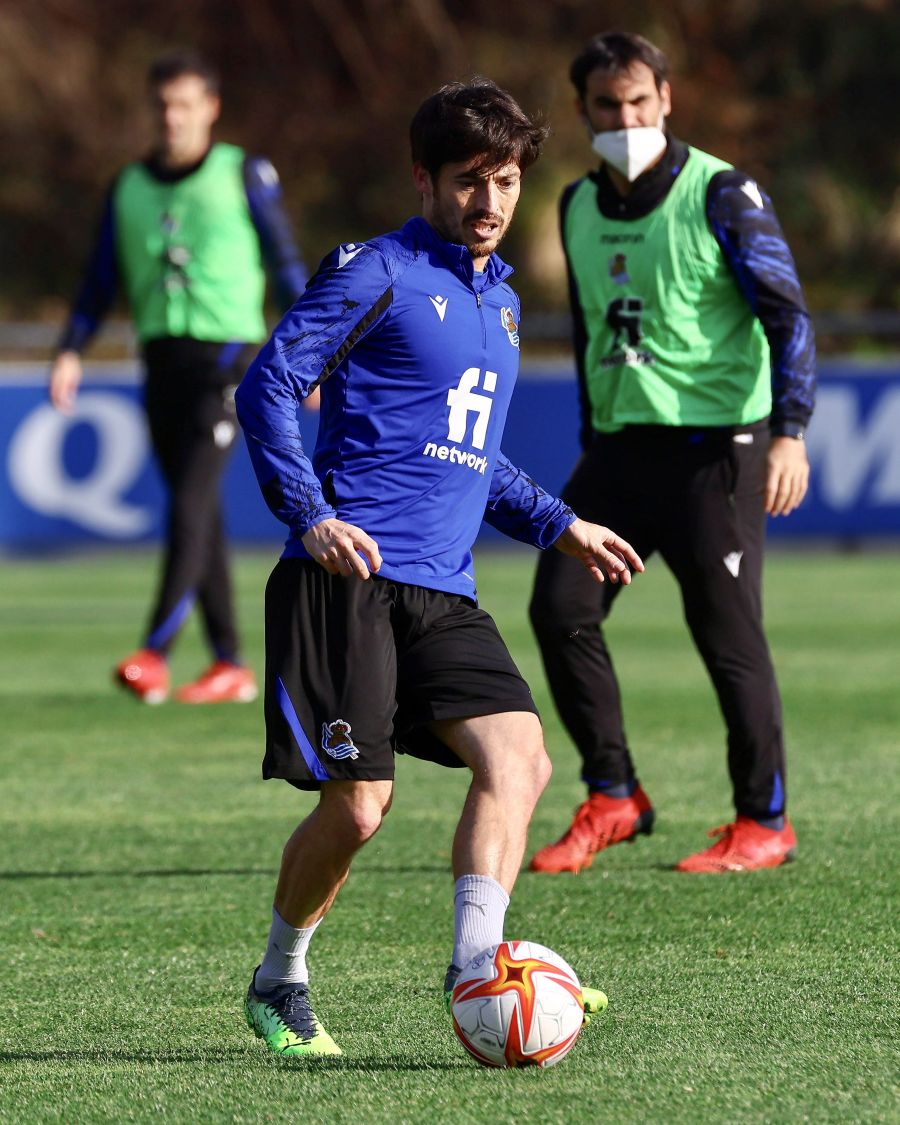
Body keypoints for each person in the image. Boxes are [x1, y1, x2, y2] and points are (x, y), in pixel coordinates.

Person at [234, 78, 644, 1057]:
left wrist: (560, 524)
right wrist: (314, 515)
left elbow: (468, 455)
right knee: (362, 807)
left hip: (443, 589)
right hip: (347, 580)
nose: (490, 202)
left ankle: (477, 971)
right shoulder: (374, 271)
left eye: (505, 181)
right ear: (425, 178)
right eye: (469, 181)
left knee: (522, 759)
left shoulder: (499, 304)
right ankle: (278, 978)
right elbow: (268, 386)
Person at [528, 31, 817, 875]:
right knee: (559, 607)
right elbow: (588, 333)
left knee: (726, 634)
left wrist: (788, 430)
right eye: (609, 106)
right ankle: (614, 794)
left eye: (640, 102)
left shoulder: (721, 191)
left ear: (665, 102)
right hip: (619, 453)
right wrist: (592, 440)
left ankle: (764, 820)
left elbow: (788, 313)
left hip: (714, 450)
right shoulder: (574, 205)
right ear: (583, 112)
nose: (626, 118)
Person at [49, 49, 309, 704]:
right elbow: (98, 278)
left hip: (227, 359)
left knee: (191, 500)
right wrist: (72, 348)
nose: (172, 118)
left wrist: (311, 351)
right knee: (202, 516)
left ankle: (155, 651)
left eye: (185, 105)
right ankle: (229, 662)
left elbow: (285, 263)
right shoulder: (129, 186)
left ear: (210, 109)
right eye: (163, 105)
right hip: (159, 361)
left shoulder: (240, 172)